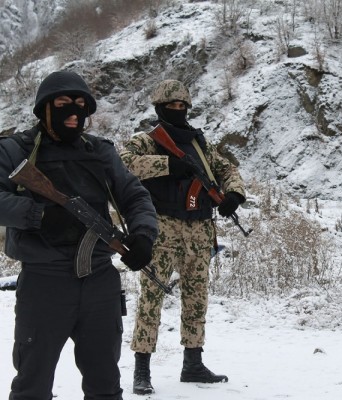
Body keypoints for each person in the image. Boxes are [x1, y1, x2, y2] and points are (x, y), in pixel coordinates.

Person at [0, 70, 158, 400]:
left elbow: (134, 194)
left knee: (105, 385)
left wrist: (143, 235)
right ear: (43, 109)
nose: (73, 111)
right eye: (62, 103)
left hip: (99, 281)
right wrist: (39, 215)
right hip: (45, 284)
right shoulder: (15, 151)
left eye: (81, 105)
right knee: (32, 385)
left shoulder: (99, 152)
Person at [120, 79, 246, 395]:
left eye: (181, 106)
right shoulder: (146, 140)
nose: (177, 110)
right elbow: (124, 164)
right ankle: (142, 369)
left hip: (200, 229)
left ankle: (193, 363)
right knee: (151, 299)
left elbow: (228, 169)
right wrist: (167, 165)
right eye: (170, 106)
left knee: (197, 298)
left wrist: (234, 194)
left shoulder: (200, 146)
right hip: (161, 229)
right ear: (159, 108)